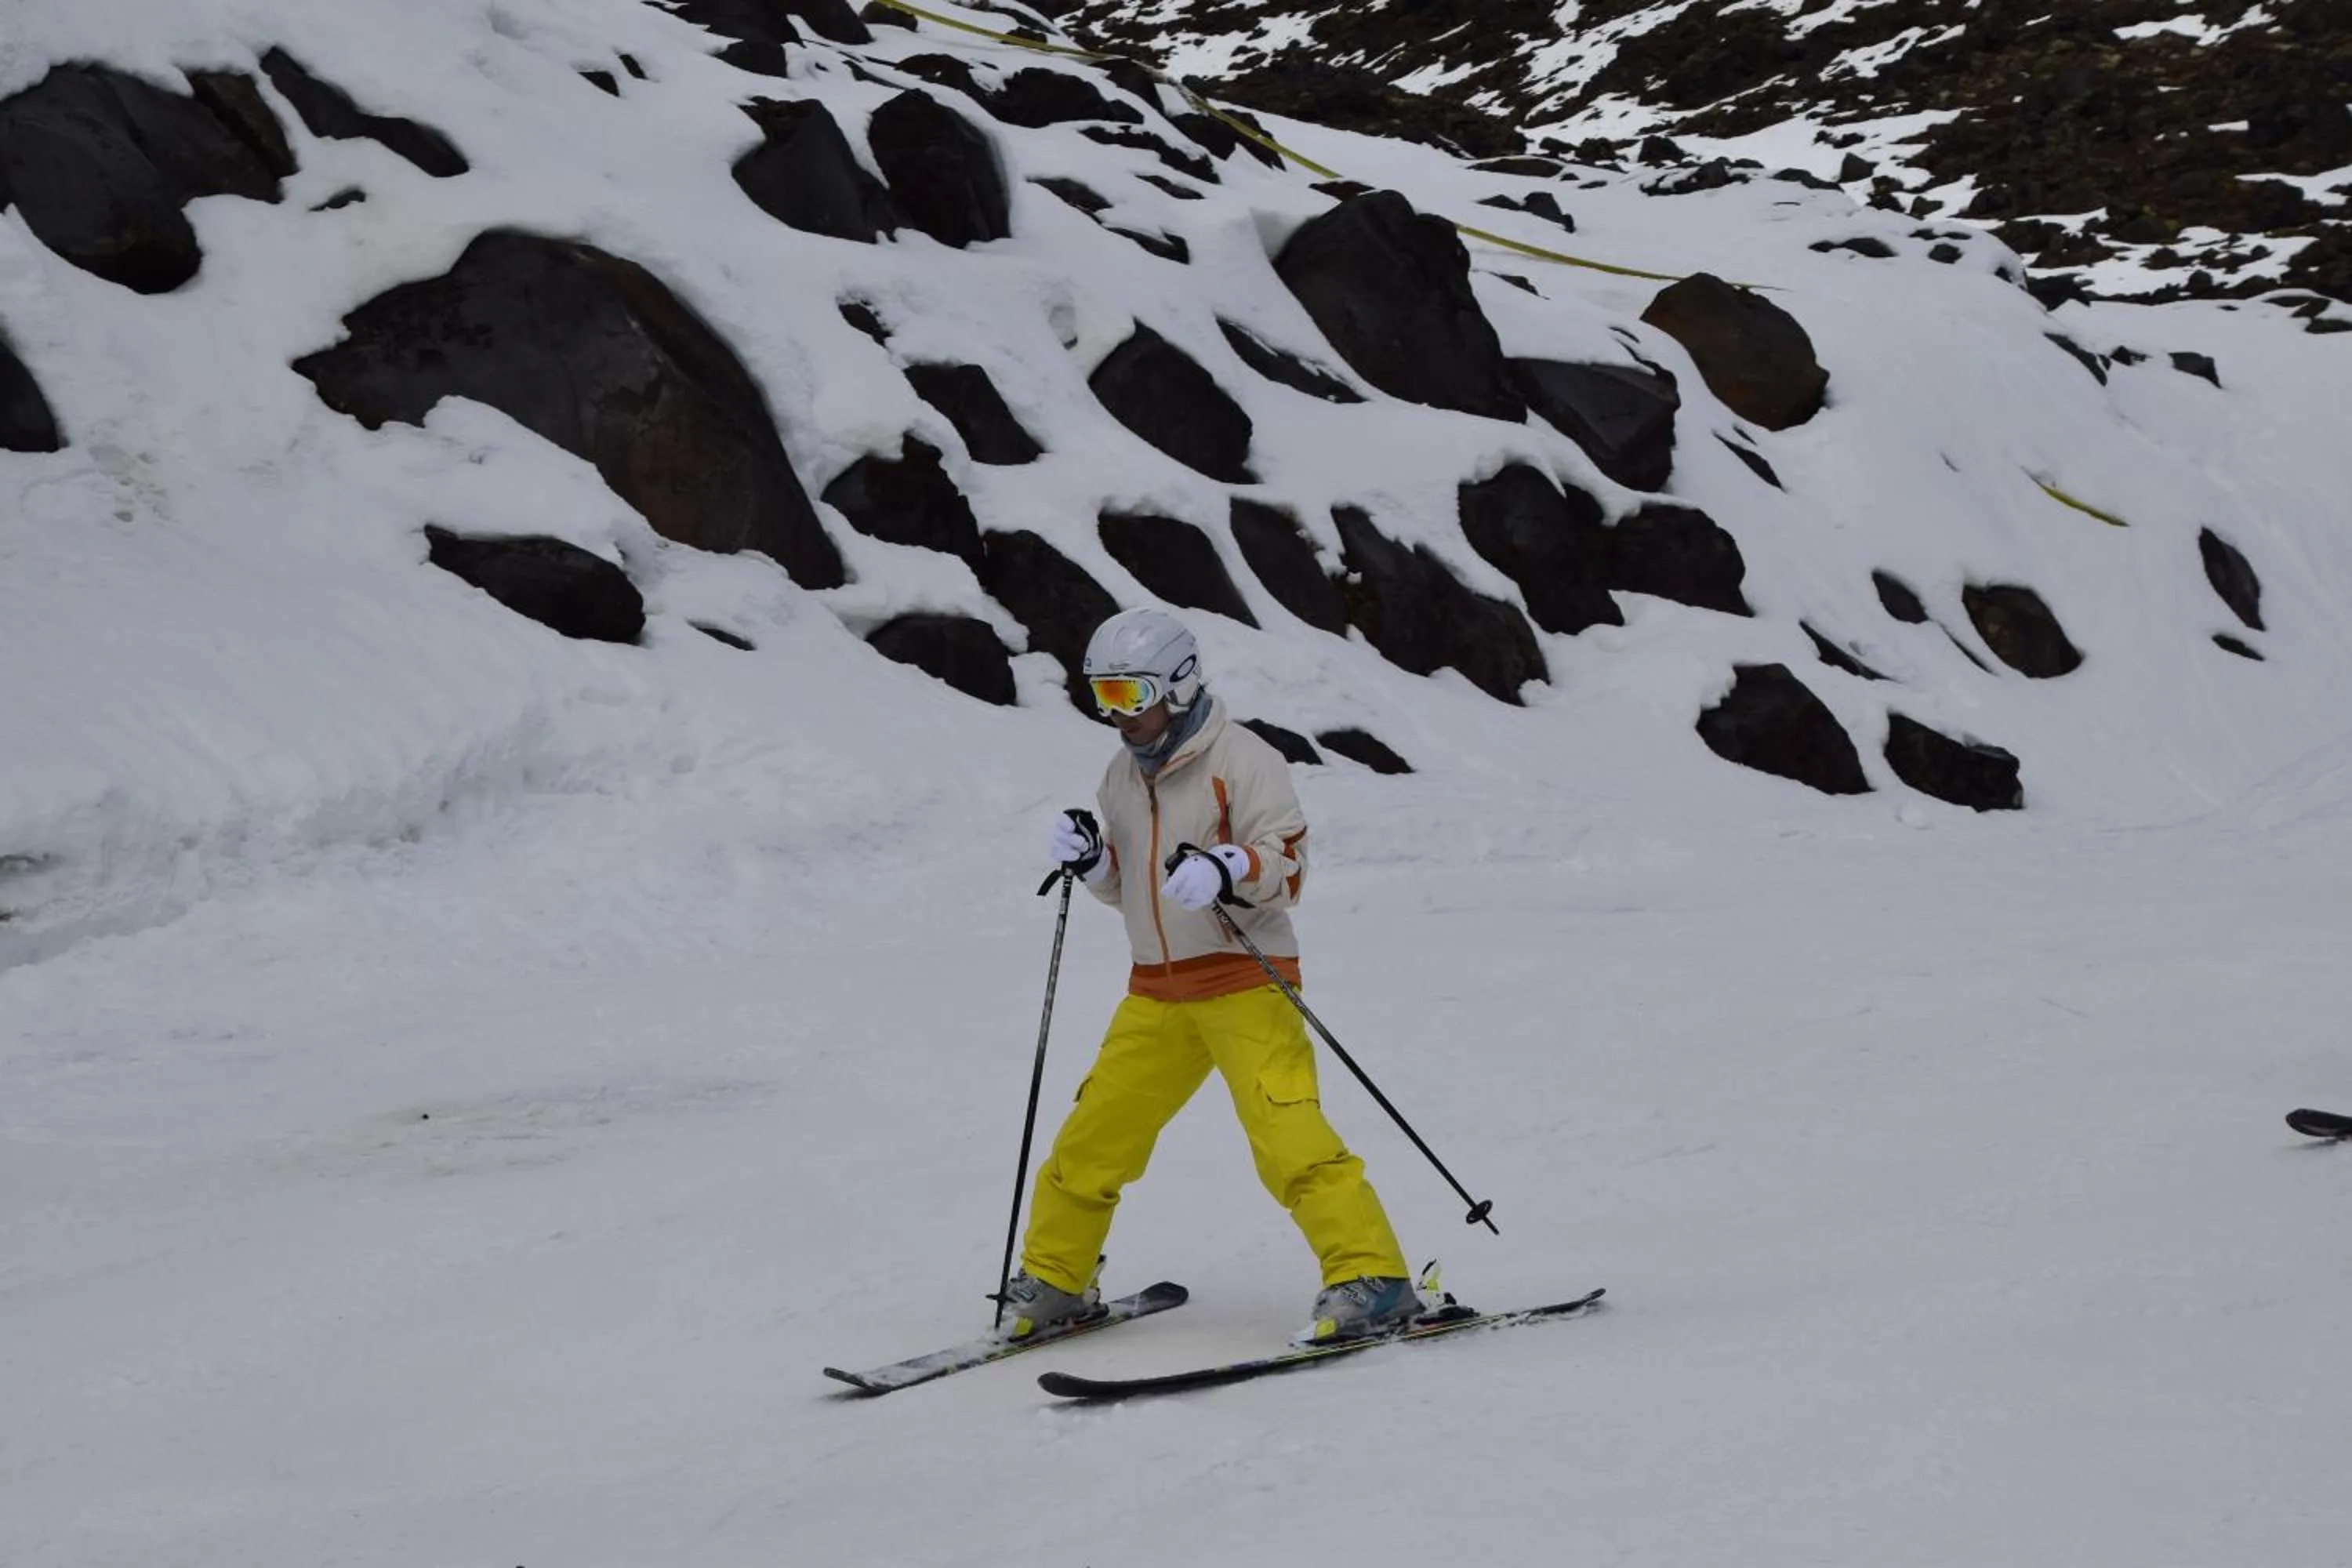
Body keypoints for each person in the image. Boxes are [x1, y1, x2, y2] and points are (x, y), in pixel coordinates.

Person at [998, 606, 1419, 1345]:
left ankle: (1372, 1278)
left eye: (1130, 696)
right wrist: (1097, 861)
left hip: (1244, 981)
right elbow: (1127, 886)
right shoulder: (1121, 774)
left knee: (1288, 1137)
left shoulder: (1245, 760)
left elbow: (1286, 867)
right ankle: (1059, 1281)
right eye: (1102, 697)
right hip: (1156, 990)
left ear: (1179, 686)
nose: (1116, 716)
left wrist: (1230, 867)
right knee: (1094, 1139)